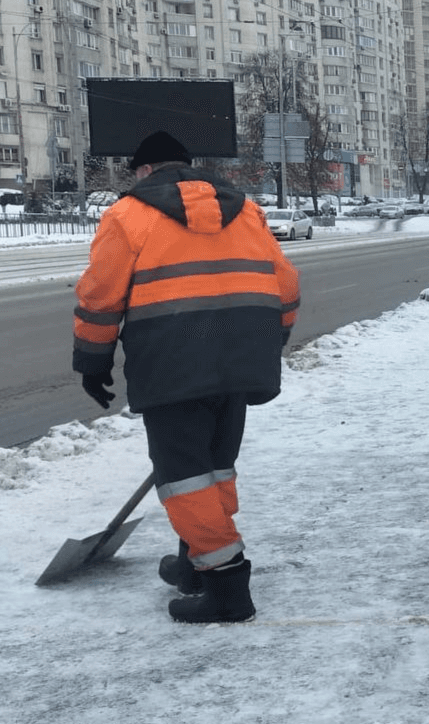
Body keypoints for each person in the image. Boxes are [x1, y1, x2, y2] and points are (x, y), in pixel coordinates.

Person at [72, 131, 301, 623]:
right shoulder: (246, 211)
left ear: (144, 170)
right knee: (214, 466)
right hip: (240, 357)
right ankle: (197, 563)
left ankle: (227, 587)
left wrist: (92, 361)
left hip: (172, 362)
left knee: (185, 478)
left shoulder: (127, 215)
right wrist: (270, 339)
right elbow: (285, 283)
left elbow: (100, 296)